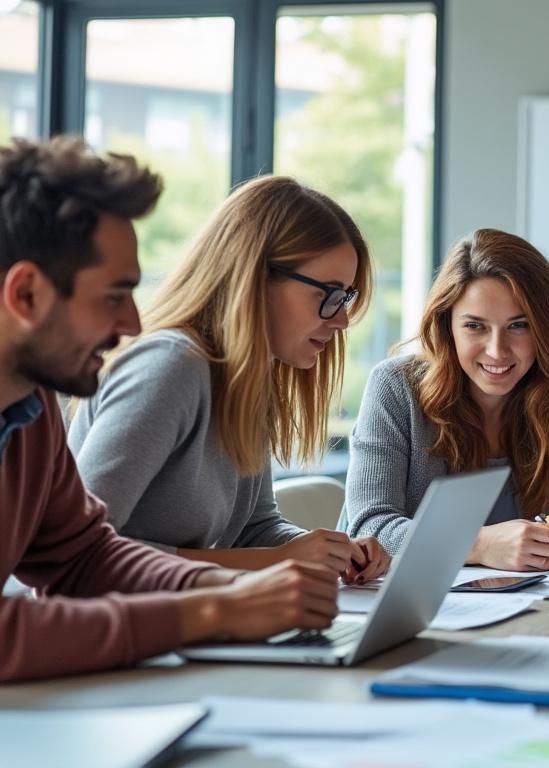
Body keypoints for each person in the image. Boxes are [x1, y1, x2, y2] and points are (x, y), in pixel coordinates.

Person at [0, 137, 337, 682]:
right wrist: (211, 611)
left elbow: (84, 557)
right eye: (113, 296)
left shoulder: (27, 404)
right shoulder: (164, 364)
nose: (133, 324)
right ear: (27, 295)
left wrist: (229, 589)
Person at [68, 175, 390, 584]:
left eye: (345, 297)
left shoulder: (247, 378)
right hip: (107, 634)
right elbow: (82, 552)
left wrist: (330, 552)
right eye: (327, 293)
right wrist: (281, 561)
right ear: (255, 276)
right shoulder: (170, 367)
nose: (342, 320)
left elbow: (252, 530)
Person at [341, 228, 549, 570]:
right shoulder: (396, 387)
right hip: (390, 606)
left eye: (519, 325)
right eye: (475, 326)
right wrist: (481, 545)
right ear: (446, 327)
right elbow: (371, 528)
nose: (497, 350)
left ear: (544, 329)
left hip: (513, 608)